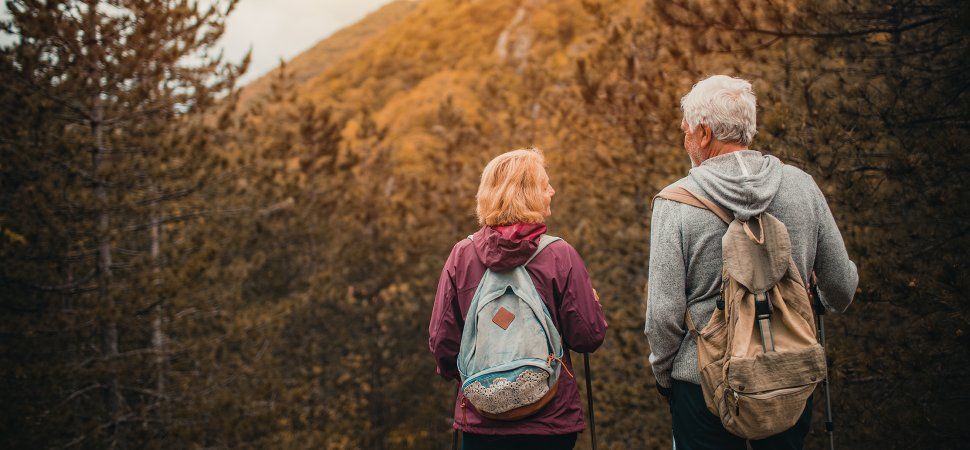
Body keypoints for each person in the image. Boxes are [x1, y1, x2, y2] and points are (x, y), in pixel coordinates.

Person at [645, 75, 859, 450]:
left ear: (704, 133)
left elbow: (663, 315)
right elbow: (841, 287)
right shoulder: (801, 186)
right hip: (789, 377)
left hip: (702, 385)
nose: (686, 140)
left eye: (686, 131)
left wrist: (666, 377)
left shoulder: (675, 203)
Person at [429, 148, 608, 450]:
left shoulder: (462, 255)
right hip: (549, 420)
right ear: (527, 194)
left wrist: (466, 376)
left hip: (481, 419)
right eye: (544, 185)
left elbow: (441, 342)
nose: (552, 190)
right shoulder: (559, 254)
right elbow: (588, 337)